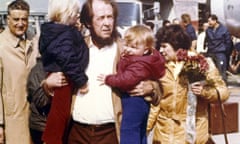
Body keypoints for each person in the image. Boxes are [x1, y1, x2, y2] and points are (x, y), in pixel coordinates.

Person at [42, 0, 162, 143]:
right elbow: (51, 81)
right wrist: (47, 84)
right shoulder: (74, 48)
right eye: (100, 18)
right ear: (88, 22)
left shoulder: (127, 50)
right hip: (76, 134)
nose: (107, 23)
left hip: (110, 135)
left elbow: (159, 88)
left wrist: (151, 87)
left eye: (110, 17)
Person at [147, 24, 229, 144]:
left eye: (164, 46)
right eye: (160, 46)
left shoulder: (201, 64)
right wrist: (144, 130)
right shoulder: (160, 68)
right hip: (164, 137)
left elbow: (223, 93)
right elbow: (156, 105)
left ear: (176, 45)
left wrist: (204, 92)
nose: (161, 50)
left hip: (193, 136)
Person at [97, 25, 165, 144]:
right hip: (140, 103)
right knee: (140, 132)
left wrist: (108, 79)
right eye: (127, 45)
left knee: (129, 131)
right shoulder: (143, 59)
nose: (128, 49)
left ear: (145, 49)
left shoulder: (139, 64)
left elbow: (125, 80)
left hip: (133, 101)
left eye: (133, 47)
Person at [38, 0, 89, 143]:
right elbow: (68, 59)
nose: (78, 16)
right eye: (76, 13)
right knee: (60, 113)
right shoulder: (64, 34)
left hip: (62, 73)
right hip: (64, 76)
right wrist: (82, 81)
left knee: (60, 112)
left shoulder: (57, 32)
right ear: (68, 14)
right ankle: (52, 139)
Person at [0, 0, 39, 144]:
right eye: (16, 19)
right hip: (12, 119)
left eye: (24, 19)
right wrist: (0, 124)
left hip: (35, 118)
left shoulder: (34, 41)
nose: (20, 23)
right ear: (7, 19)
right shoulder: (1, 47)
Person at [27, 57, 66, 144]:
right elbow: (39, 100)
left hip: (62, 126)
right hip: (42, 126)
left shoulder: (69, 65)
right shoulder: (39, 69)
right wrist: (47, 86)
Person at [205, 14, 233, 82]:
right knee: (210, 73)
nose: (209, 23)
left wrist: (226, 53)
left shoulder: (224, 30)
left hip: (220, 54)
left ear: (215, 21)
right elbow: (207, 40)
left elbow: (228, 43)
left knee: (221, 73)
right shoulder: (208, 30)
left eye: (210, 21)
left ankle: (223, 89)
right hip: (211, 53)